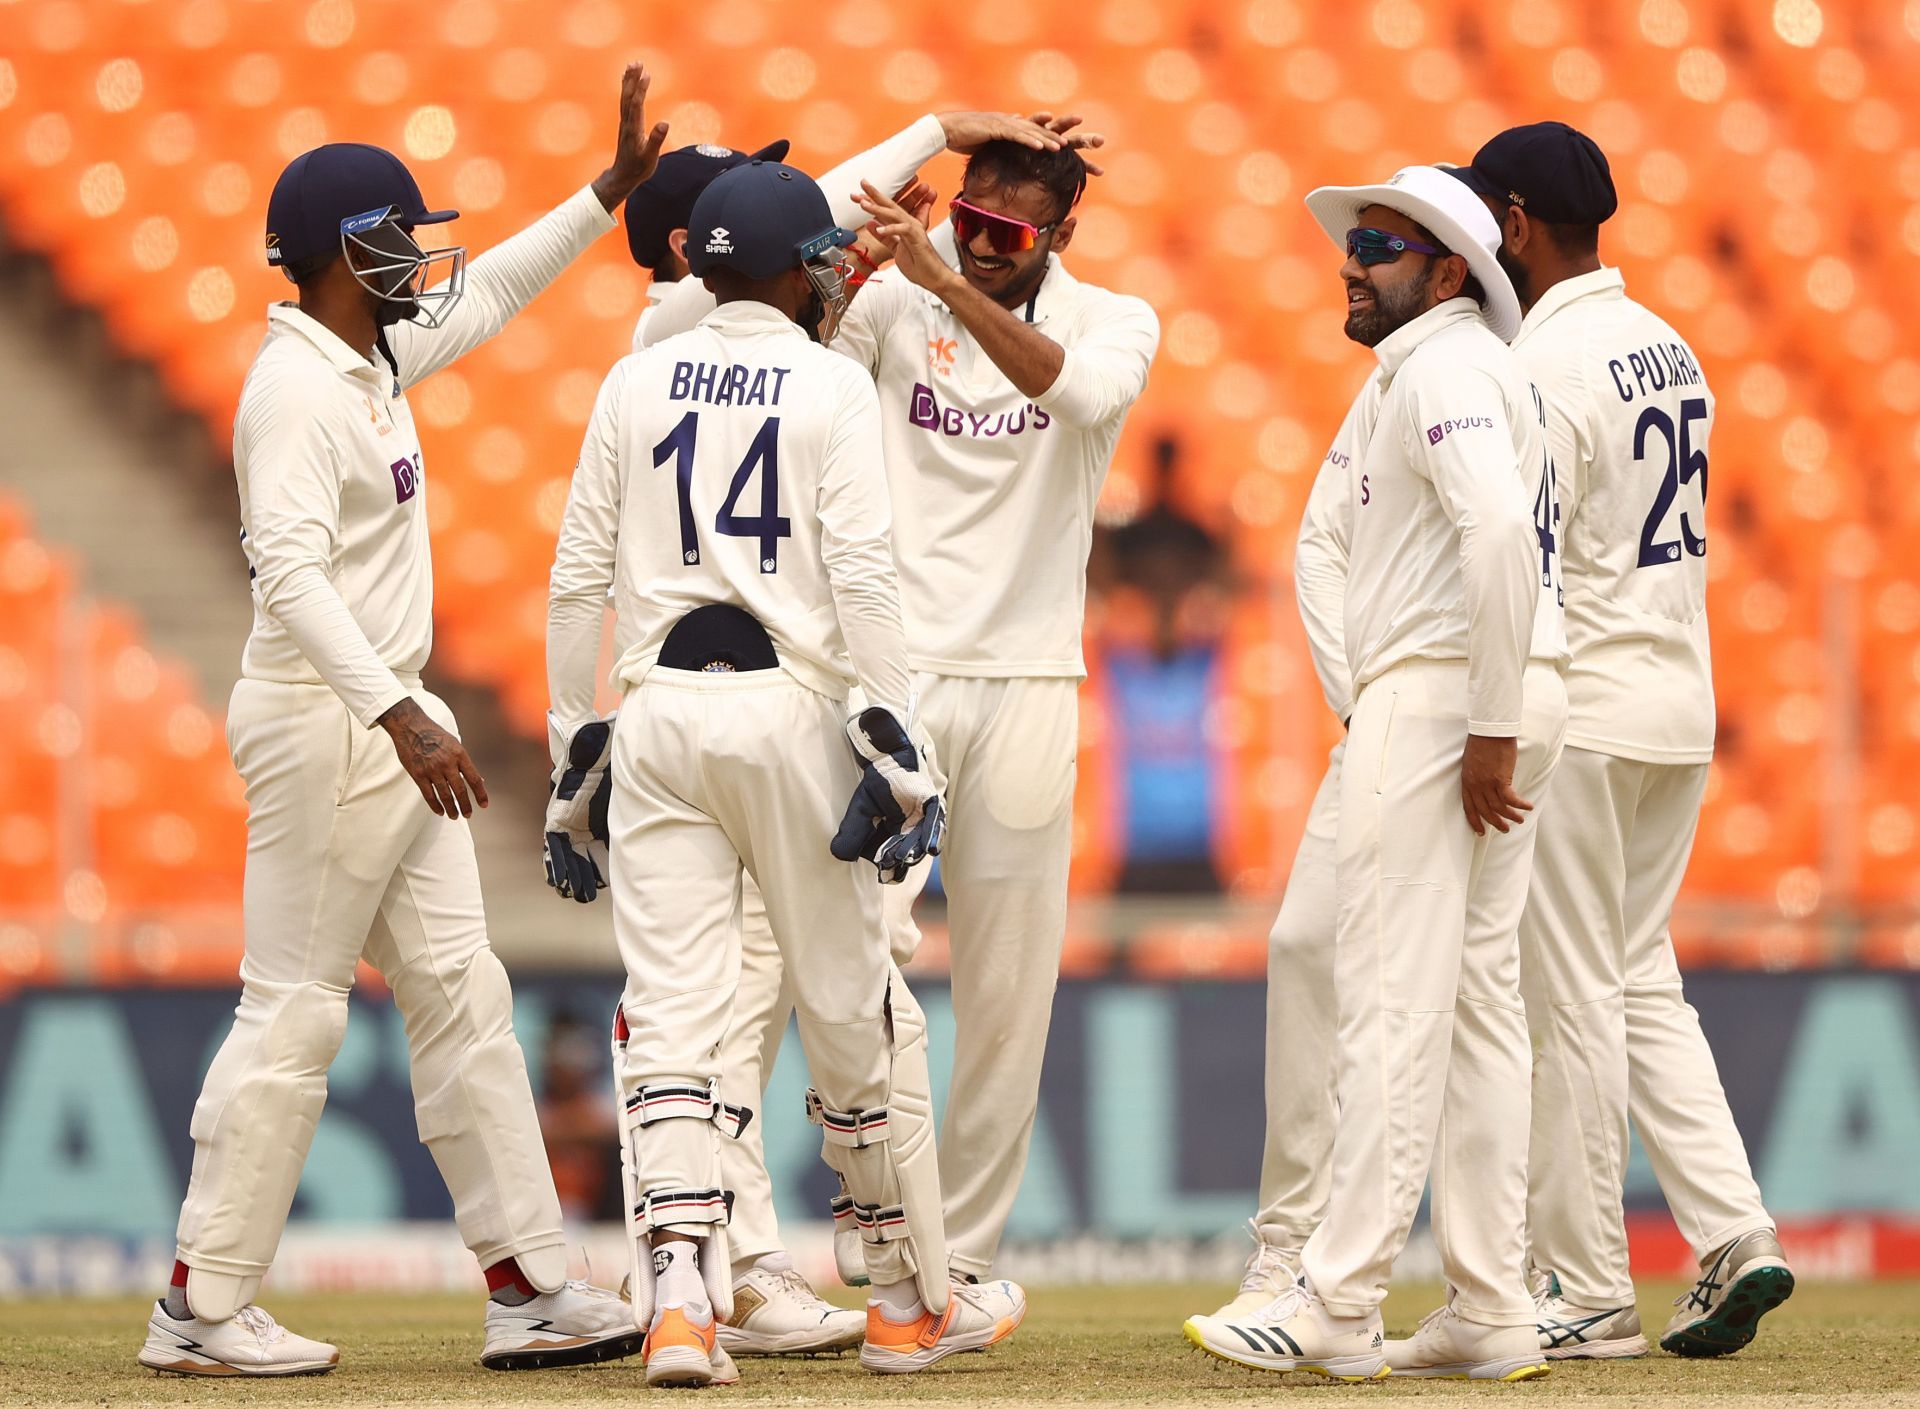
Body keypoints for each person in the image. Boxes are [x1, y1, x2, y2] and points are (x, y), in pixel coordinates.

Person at [135, 67, 669, 1378]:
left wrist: (604, 196)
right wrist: (394, 711)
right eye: (395, 239)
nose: (422, 259)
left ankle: (531, 1285)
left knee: (459, 994)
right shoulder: (296, 394)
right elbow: (292, 573)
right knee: (297, 1009)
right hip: (334, 721)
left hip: (383, 717)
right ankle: (201, 1304)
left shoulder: (364, 358)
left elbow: (488, 292)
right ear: (337, 255)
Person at [601, 108, 1081, 1359]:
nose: (836, 266)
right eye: (814, 255)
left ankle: (687, 1298)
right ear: (768, 259)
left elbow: (569, 581)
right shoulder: (821, 372)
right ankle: (905, 1293)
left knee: (677, 1022)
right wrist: (897, 741)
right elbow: (864, 577)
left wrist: (569, 747)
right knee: (861, 1009)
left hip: (656, 717)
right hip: (798, 715)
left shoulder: (644, 359)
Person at [1183, 166, 1566, 1382]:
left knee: (1394, 999)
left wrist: (1485, 718)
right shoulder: (1427, 369)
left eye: (1382, 246)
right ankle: (1493, 1303)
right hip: (1457, 688)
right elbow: (1327, 542)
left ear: (1450, 271)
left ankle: (1336, 1298)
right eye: (1354, 243)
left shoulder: (1448, 367)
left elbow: (1499, 532)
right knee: (1476, 1007)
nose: (1351, 261)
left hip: (1456, 691)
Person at [1453, 121, 1794, 1359]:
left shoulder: (1538, 365)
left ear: (1514, 225)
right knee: (1638, 972)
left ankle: (1587, 1283)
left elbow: (1528, 553)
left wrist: (1492, 715)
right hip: (1677, 698)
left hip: (1584, 705)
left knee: (1572, 994)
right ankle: (1733, 1230)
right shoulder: (1671, 345)